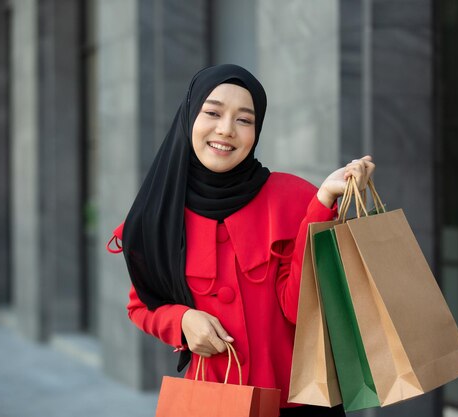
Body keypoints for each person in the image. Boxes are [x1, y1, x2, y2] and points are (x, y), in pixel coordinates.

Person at [106, 64, 374, 416]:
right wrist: (183, 322)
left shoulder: (294, 199)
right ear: (189, 117)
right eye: (213, 112)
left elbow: (298, 308)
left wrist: (323, 204)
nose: (226, 130)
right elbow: (142, 305)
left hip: (300, 400)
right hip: (213, 403)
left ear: (257, 130)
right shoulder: (158, 213)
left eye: (244, 120)